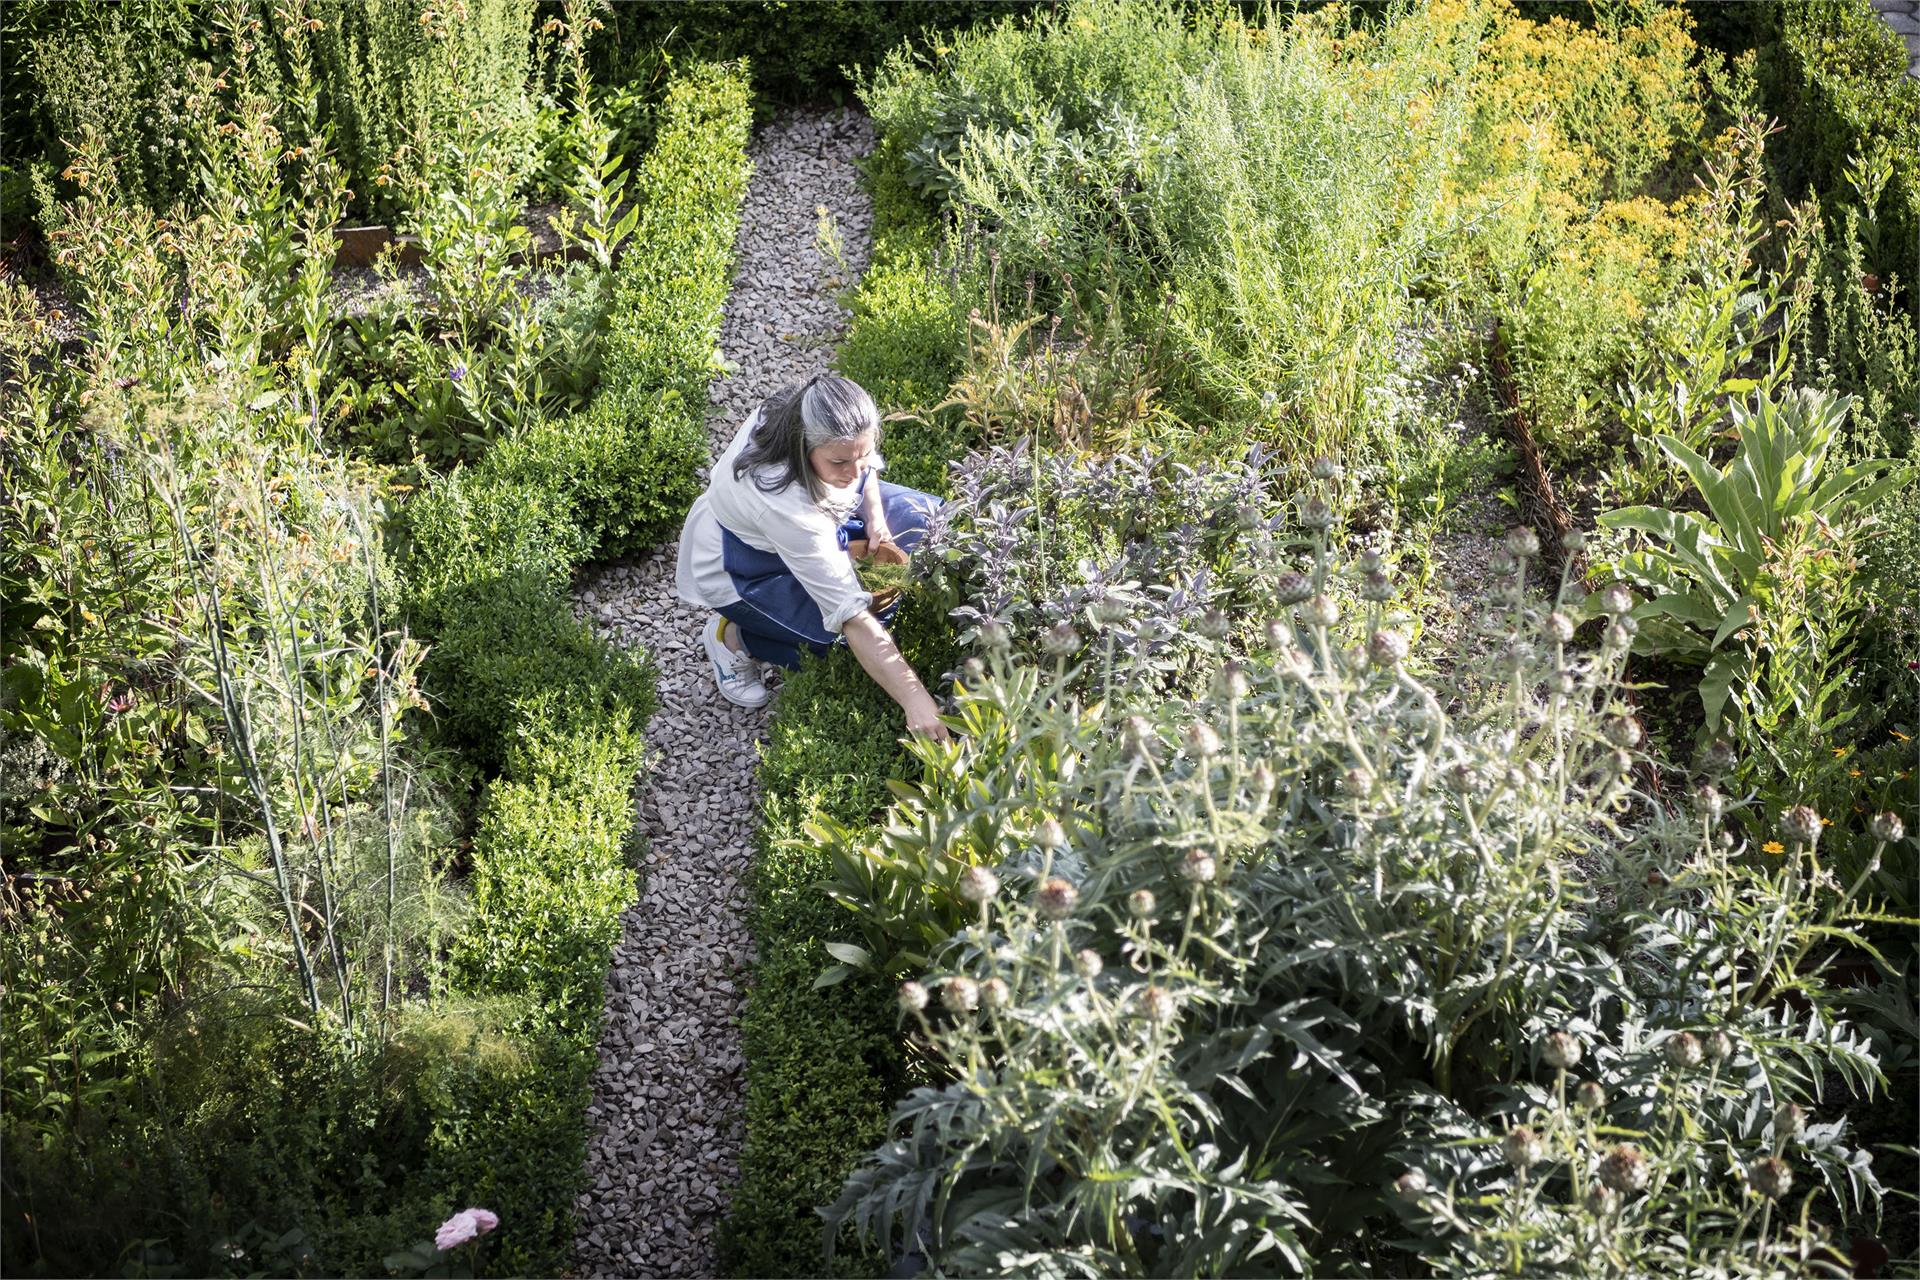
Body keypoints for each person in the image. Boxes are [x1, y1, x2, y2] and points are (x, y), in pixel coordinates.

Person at [674, 373, 951, 739]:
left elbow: (858, 466)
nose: (854, 473)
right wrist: (915, 699)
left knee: (933, 521)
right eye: (839, 464)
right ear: (803, 448)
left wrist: (876, 521)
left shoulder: (817, 409)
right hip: (742, 564)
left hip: (814, 514)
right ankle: (736, 638)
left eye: (863, 455)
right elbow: (849, 614)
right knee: (836, 643)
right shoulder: (783, 502)